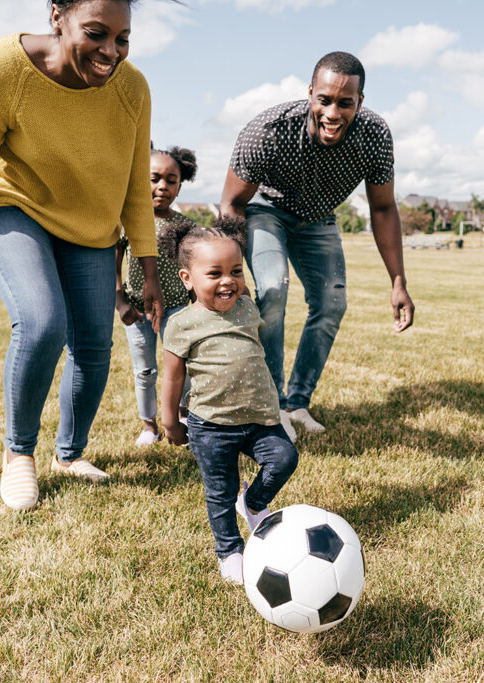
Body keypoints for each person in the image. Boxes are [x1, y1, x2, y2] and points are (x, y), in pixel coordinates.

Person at [0, 0, 165, 511]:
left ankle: (70, 454)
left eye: (122, 39)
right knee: (43, 323)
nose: (111, 52)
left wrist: (146, 269)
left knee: (92, 346)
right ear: (56, 15)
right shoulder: (3, 69)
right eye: (96, 33)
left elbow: (135, 186)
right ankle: (19, 454)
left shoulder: (132, 89)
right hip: (15, 207)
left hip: (90, 226)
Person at [220, 51, 414, 442]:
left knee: (332, 304)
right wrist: (231, 270)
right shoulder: (269, 130)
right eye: (324, 100)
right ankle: (272, 407)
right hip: (266, 211)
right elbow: (231, 203)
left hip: (319, 218)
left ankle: (297, 403)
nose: (333, 112)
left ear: (360, 101)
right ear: (310, 94)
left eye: (346, 103)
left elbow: (382, 207)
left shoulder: (374, 136)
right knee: (272, 291)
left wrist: (398, 281)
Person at [160, 217, 299, 585]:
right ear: (187, 278)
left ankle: (252, 503)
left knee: (285, 458)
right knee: (219, 492)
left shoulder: (247, 306)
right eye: (215, 273)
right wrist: (170, 420)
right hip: (210, 425)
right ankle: (229, 550)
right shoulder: (182, 323)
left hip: (259, 418)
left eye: (236, 270)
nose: (228, 281)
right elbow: (172, 376)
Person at [115, 146, 197, 446]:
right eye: (154, 178)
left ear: (180, 183)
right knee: (145, 370)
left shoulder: (185, 226)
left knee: (183, 365)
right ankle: (149, 426)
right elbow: (115, 260)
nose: (162, 186)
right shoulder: (128, 220)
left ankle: (183, 417)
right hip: (137, 312)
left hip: (177, 309)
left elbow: (196, 267)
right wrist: (119, 300)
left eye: (171, 180)